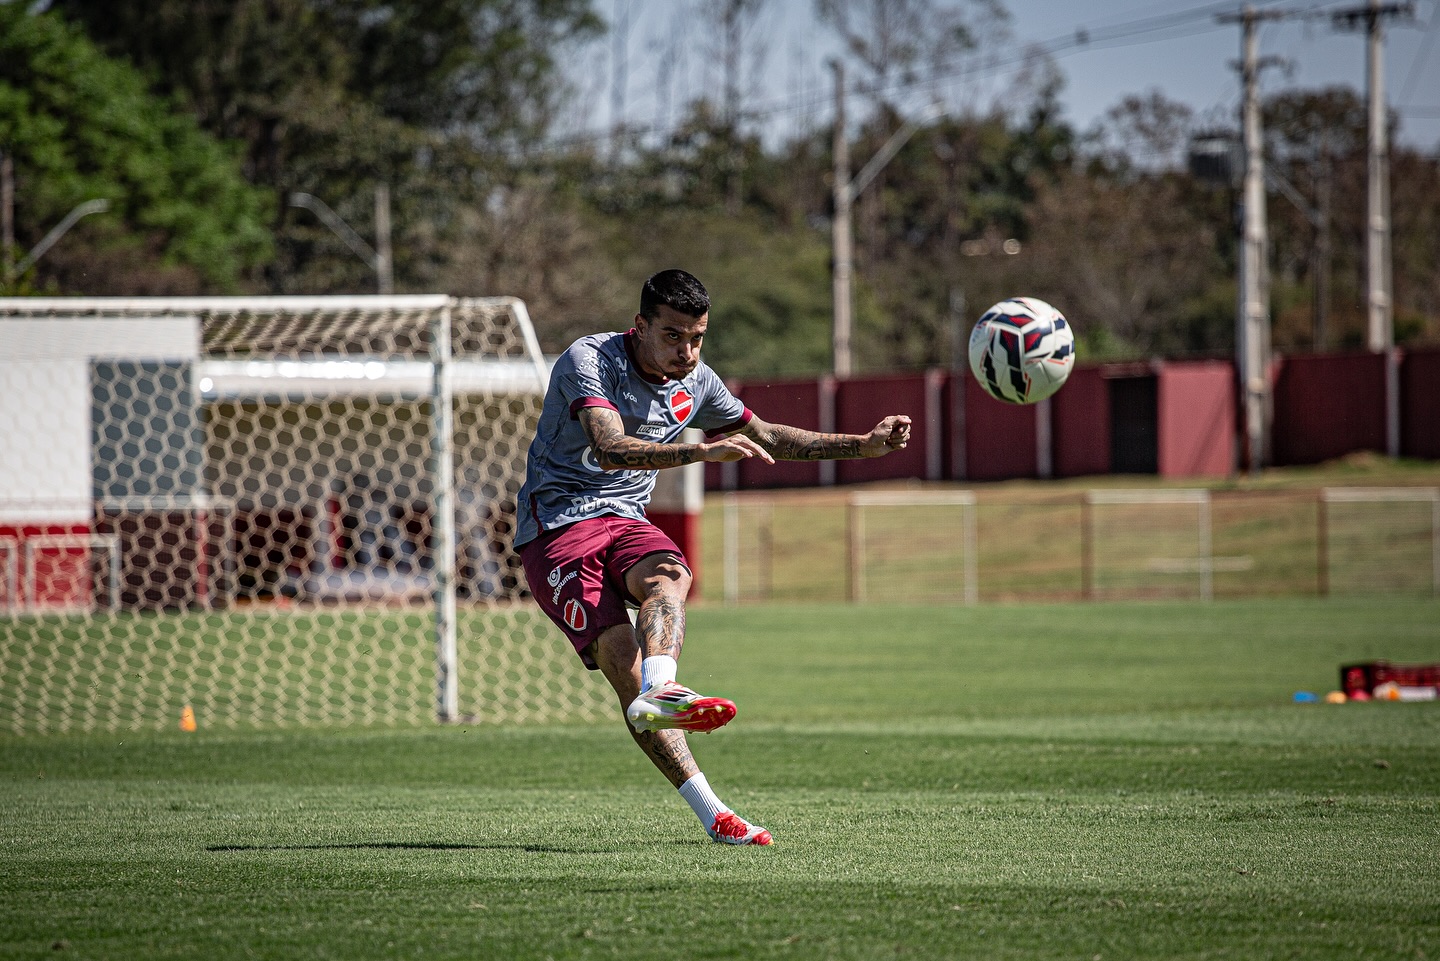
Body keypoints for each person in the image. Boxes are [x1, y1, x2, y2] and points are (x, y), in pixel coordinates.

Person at [514, 269, 912, 846]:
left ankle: (665, 687)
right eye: (673, 336)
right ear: (640, 326)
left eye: (697, 337)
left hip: (624, 520)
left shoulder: (698, 381)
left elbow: (768, 435)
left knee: (671, 575)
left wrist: (863, 445)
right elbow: (608, 447)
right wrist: (700, 451)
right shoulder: (591, 359)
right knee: (621, 662)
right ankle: (711, 809)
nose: (688, 351)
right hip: (556, 527)